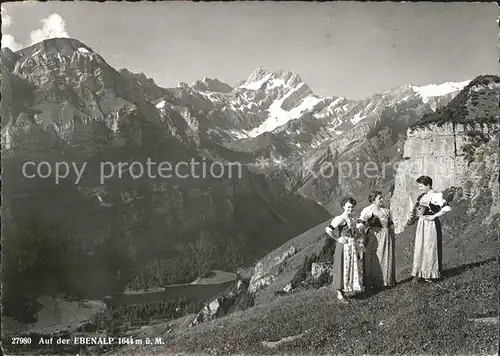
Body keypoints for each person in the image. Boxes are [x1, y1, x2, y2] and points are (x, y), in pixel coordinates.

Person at [405, 175, 452, 282]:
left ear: (428, 185)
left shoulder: (436, 195)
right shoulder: (423, 196)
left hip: (430, 225)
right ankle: (421, 273)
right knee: (421, 247)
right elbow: (419, 209)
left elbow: (447, 208)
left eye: (421, 186)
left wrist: (434, 216)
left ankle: (431, 275)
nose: (420, 188)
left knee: (430, 247)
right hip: (422, 224)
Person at [325, 197, 365, 304]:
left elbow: (360, 227)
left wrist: (357, 235)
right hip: (343, 246)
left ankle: (346, 289)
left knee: (349, 267)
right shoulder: (341, 218)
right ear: (343, 207)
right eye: (348, 207)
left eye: (352, 207)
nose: (350, 209)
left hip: (351, 245)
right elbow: (328, 230)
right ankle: (339, 294)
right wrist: (337, 238)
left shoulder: (352, 218)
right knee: (340, 267)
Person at [359, 191, 396, 291]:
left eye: (381, 197)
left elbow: (391, 224)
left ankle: (385, 282)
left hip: (386, 236)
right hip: (374, 237)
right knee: (374, 259)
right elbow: (360, 223)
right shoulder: (367, 210)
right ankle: (372, 283)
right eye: (379, 198)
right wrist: (363, 233)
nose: (382, 200)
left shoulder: (386, 211)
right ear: (373, 199)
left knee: (385, 257)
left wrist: (392, 233)